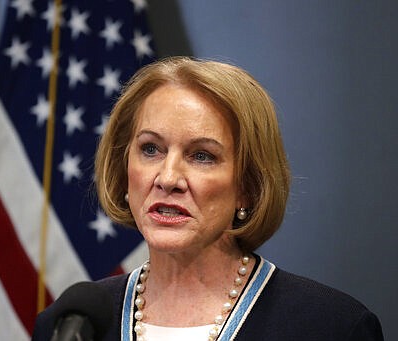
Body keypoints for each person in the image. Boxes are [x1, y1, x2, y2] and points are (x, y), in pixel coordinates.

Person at [32, 57, 383, 340]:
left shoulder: (331, 327)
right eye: (150, 149)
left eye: (202, 155)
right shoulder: (71, 327)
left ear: (248, 185)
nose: (168, 178)